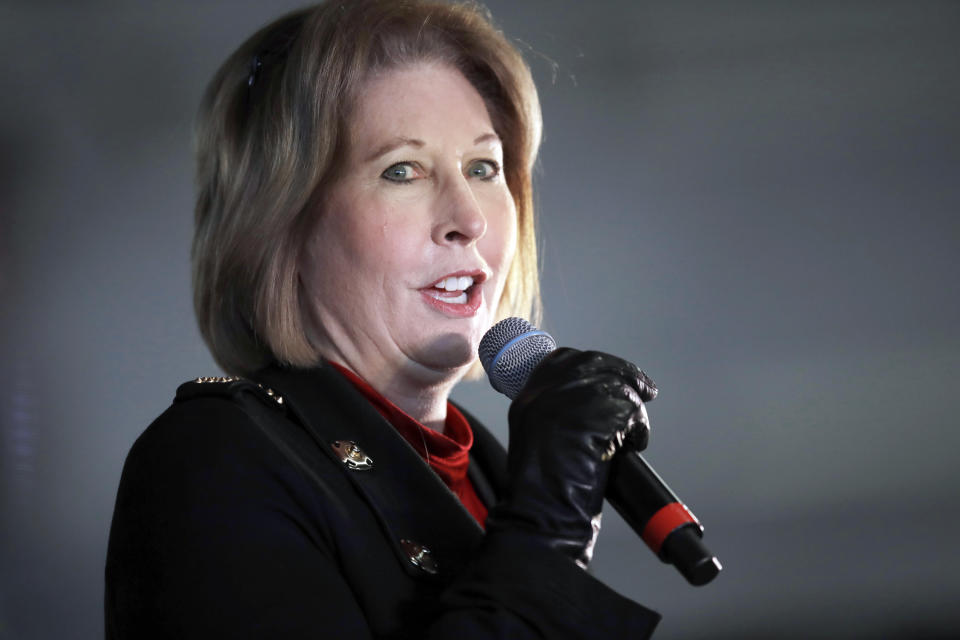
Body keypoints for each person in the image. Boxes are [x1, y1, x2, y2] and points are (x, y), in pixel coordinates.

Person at [105, 1, 661, 637]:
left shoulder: (486, 468)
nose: (469, 218)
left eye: (484, 167)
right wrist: (547, 532)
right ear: (281, 228)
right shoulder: (209, 461)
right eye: (403, 170)